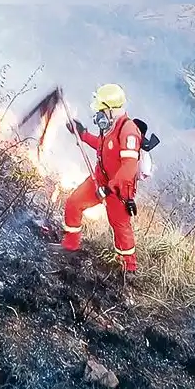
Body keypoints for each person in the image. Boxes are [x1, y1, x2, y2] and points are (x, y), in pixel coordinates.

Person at [58, 83, 143, 273]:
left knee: (120, 226)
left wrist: (110, 188)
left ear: (111, 110)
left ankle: (128, 269)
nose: (99, 115)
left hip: (119, 189)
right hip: (100, 179)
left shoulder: (128, 130)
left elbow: (129, 167)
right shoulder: (110, 127)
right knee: (74, 203)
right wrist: (83, 134)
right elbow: (103, 147)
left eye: (102, 110)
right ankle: (70, 247)